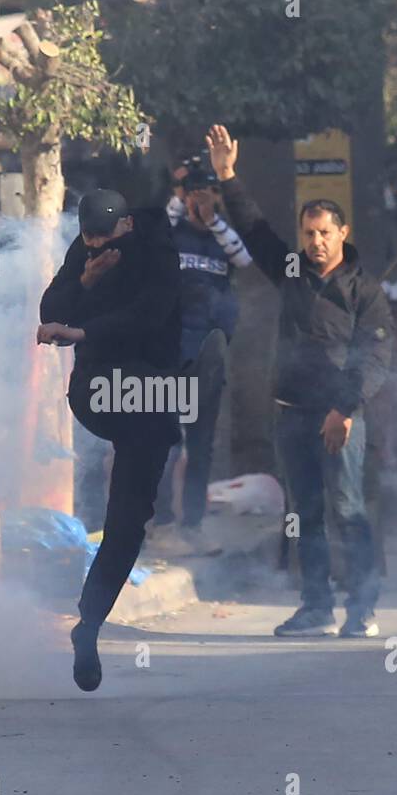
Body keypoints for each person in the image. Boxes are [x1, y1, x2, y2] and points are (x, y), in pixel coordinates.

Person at [207, 123, 393, 639]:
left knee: (348, 508)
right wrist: (227, 175)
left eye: (323, 234)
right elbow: (254, 229)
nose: (314, 242)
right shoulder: (289, 270)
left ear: (342, 234)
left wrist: (344, 410)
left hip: (343, 419)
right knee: (304, 512)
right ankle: (315, 606)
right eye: (308, 233)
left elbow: (374, 358)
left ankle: (362, 607)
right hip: (292, 411)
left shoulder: (367, 293)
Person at [38, 188, 182, 691]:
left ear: (125, 226)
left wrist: (84, 331)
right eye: (87, 242)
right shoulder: (88, 248)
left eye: (102, 241)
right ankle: (92, 616)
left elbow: (152, 315)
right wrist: (82, 281)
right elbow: (52, 305)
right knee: (125, 506)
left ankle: (90, 624)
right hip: (99, 393)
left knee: (126, 522)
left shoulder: (159, 252)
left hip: (150, 390)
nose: (94, 249)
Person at [149, 158, 253, 556]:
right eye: (192, 191)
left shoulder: (220, 238)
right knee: (167, 443)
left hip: (210, 356)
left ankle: (193, 525)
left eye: (205, 191)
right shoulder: (167, 233)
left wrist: (211, 216)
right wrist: (180, 196)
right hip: (169, 353)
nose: (198, 198)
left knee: (202, 444)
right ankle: (163, 526)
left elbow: (243, 259)